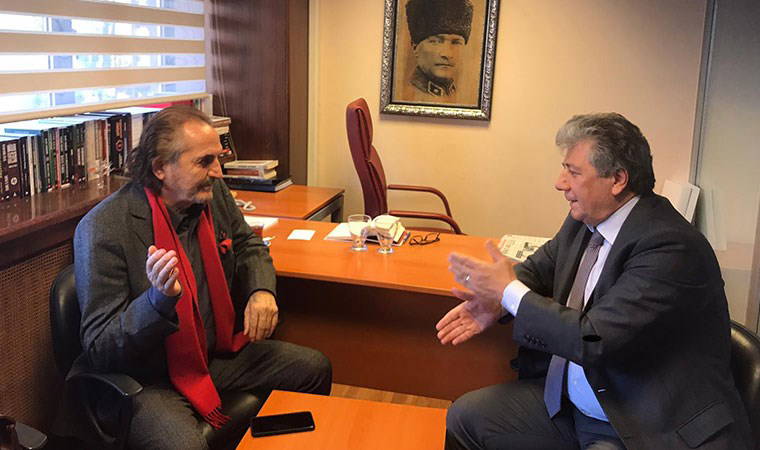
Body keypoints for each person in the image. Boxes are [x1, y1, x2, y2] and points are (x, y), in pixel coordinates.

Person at [437, 113, 753, 449]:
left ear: (617, 179)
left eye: (573, 172)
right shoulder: (585, 220)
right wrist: (496, 302)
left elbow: (594, 339)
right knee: (465, 417)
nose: (560, 183)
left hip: (639, 423)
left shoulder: (671, 247)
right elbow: (541, 269)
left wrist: (508, 291)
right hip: (577, 406)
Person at [71, 106, 332, 449]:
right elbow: (100, 349)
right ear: (160, 168)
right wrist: (157, 302)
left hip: (212, 355)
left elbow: (247, 244)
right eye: (204, 162)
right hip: (150, 377)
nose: (218, 172)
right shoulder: (105, 227)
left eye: (218, 158)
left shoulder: (211, 195)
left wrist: (261, 290)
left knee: (313, 369)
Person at [404, 0, 473, 100]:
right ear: (415, 47)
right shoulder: (406, 93)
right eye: (436, 41)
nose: (447, 53)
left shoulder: (461, 96)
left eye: (456, 42)